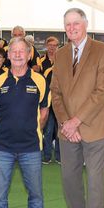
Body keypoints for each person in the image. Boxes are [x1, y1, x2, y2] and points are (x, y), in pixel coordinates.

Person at [51, 8, 104, 208]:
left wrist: (77, 120)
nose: (71, 28)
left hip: (95, 126)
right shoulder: (60, 54)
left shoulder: (103, 51)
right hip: (68, 129)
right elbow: (56, 93)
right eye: (67, 24)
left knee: (95, 182)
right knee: (69, 178)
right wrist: (67, 122)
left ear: (85, 25)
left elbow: (102, 91)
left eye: (76, 23)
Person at [0, 37, 50, 208]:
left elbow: (44, 111)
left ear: (29, 54)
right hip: (2, 147)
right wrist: (1, 132)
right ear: (8, 54)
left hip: (31, 147)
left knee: (36, 195)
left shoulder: (39, 80)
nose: (19, 54)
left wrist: (33, 130)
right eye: (14, 51)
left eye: (23, 51)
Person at [38, 36, 60, 164]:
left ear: (58, 46)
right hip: (46, 100)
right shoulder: (41, 61)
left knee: (60, 131)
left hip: (59, 100)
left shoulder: (63, 60)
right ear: (47, 46)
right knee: (47, 129)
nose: (52, 48)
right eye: (50, 45)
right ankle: (46, 156)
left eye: (54, 45)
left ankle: (59, 157)